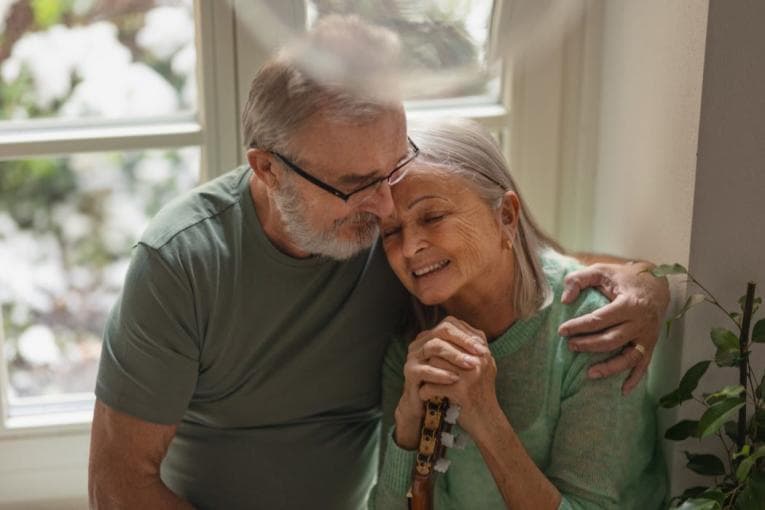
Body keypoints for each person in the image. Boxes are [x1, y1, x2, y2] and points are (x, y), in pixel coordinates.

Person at [88, 16, 668, 510]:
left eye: (395, 165)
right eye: (356, 184)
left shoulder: (391, 242)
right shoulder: (181, 263)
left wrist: (647, 287)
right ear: (267, 170)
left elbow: (532, 260)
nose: (388, 205)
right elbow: (117, 486)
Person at [371, 118, 667, 509]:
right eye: (391, 232)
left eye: (432, 217)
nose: (409, 248)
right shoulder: (411, 348)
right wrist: (406, 426)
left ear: (506, 216)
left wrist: (484, 416)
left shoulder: (594, 326)